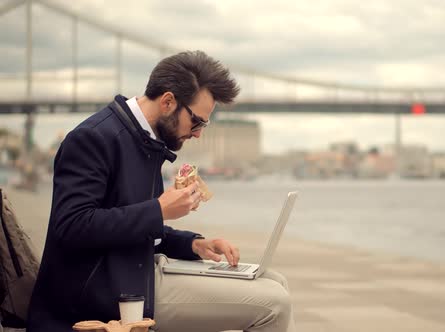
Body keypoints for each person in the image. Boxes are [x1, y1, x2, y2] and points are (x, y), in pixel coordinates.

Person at [27, 51, 295, 332]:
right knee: (275, 304)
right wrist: (159, 210)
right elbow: (72, 226)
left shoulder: (147, 140)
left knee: (275, 281)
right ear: (168, 102)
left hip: (135, 271)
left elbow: (135, 225)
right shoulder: (93, 138)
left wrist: (193, 245)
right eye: (197, 122)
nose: (198, 133)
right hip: (103, 293)